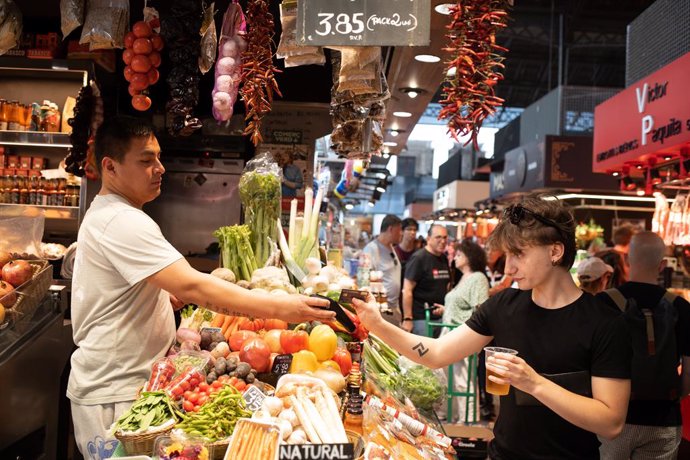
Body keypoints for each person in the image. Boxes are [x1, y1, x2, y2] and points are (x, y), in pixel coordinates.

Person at [67, 116, 333, 458]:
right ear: (110, 166)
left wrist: (160, 297)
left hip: (126, 385)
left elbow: (132, 287)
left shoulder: (115, 213)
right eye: (146, 160)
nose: (160, 168)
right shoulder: (122, 220)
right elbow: (193, 285)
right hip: (114, 393)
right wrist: (285, 307)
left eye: (159, 158)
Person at [352, 193, 631, 460]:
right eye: (506, 255)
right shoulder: (504, 306)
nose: (508, 268)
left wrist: (534, 383)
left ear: (555, 251)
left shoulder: (604, 323)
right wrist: (376, 323)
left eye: (518, 254)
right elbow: (437, 353)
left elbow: (611, 422)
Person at [597, 232, 690, 460]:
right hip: (663, 419)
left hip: (612, 418)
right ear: (662, 265)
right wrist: (678, 394)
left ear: (627, 260)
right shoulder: (680, 306)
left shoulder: (603, 303)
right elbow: (689, 373)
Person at [437, 239, 489, 423]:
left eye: (459, 255)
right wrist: (445, 310)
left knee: (463, 379)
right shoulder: (463, 279)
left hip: (463, 335)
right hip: (450, 333)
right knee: (448, 378)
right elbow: (463, 306)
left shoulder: (478, 278)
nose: (455, 258)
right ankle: (450, 417)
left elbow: (481, 308)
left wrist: (473, 336)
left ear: (469, 257)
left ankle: (467, 422)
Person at [401, 224, 450, 336]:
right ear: (428, 239)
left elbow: (446, 286)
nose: (442, 241)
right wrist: (408, 319)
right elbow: (407, 290)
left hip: (441, 317)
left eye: (445, 237)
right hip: (422, 319)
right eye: (438, 237)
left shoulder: (443, 258)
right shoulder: (419, 258)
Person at [362, 215, 403, 326]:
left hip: (393, 308)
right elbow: (365, 281)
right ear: (390, 229)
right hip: (381, 310)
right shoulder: (371, 249)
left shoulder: (391, 247)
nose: (401, 234)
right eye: (399, 230)